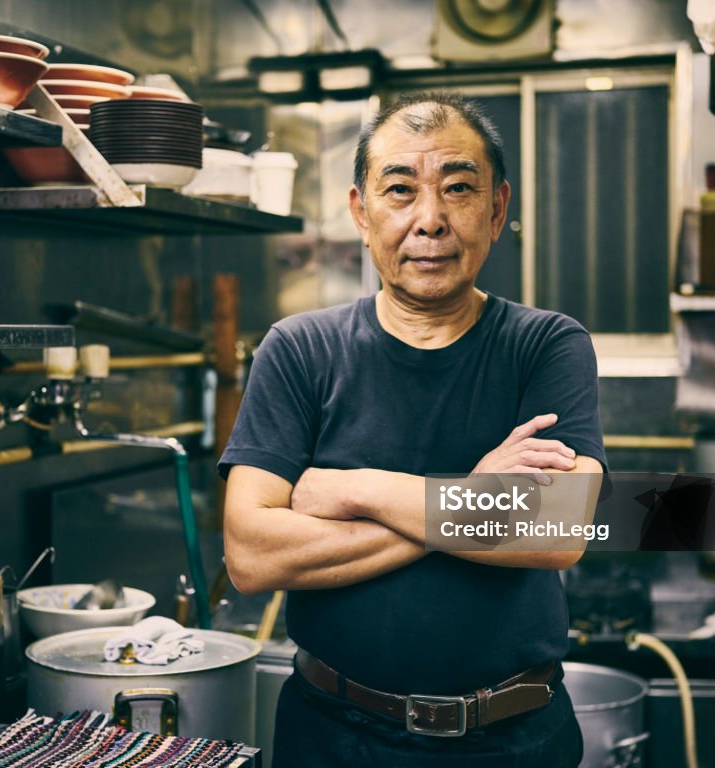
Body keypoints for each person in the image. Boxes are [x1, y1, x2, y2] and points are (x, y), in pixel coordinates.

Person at [219, 91, 605, 767]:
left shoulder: (545, 346)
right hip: (334, 738)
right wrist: (475, 498)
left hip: (514, 743)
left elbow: (559, 526)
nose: (430, 220)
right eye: (400, 190)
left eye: (458, 188)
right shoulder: (300, 349)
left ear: (497, 210)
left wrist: (354, 489)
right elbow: (252, 556)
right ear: (361, 214)